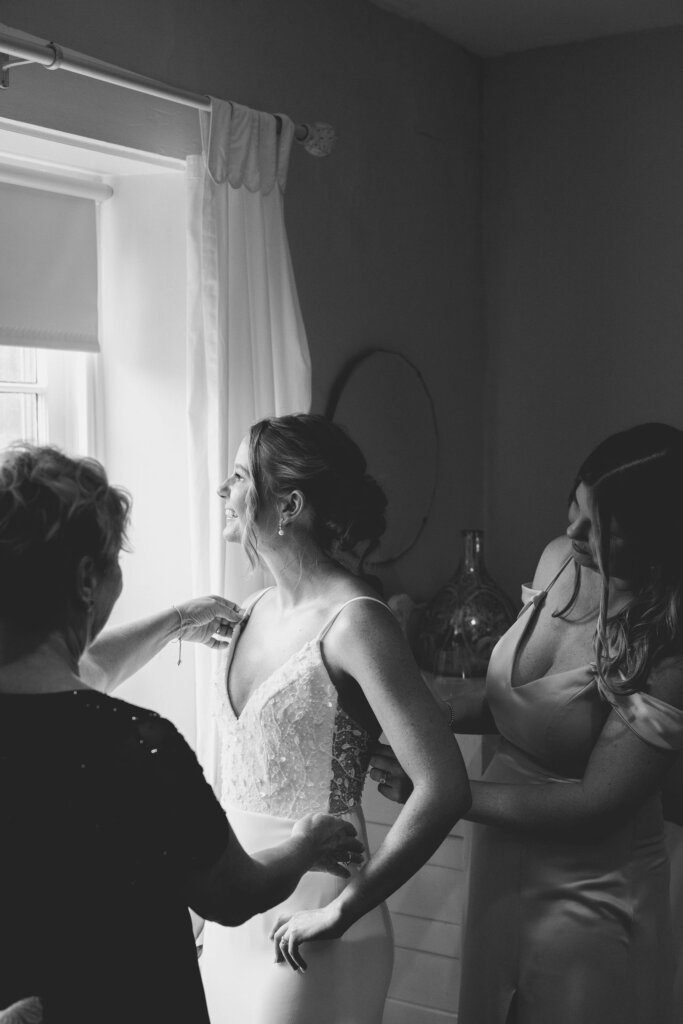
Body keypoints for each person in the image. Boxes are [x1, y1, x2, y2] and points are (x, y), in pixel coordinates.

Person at [0, 444, 364, 1024]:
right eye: (114, 558)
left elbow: (73, 672)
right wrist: (307, 845)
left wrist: (178, 619)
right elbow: (230, 894)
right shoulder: (136, 747)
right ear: (86, 580)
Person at [371, 422, 683, 1024]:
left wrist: (441, 796)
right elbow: (520, 706)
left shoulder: (666, 644)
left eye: (601, 525)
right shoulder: (557, 560)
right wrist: (421, 715)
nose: (574, 531)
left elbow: (597, 802)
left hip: (591, 886)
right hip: (499, 856)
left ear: (654, 536)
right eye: (576, 504)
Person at [199, 413, 470, 1024]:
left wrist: (343, 909)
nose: (224, 491)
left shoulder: (358, 622)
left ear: (289, 504)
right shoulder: (246, 611)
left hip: (317, 923)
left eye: (239, 477)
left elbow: (444, 786)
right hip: (231, 915)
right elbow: (234, 775)